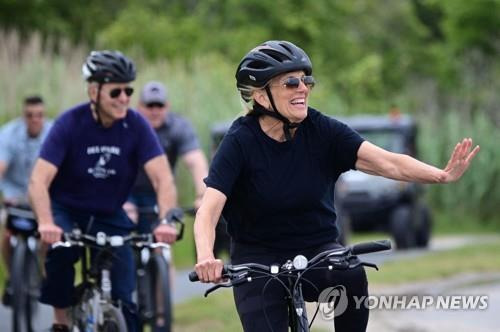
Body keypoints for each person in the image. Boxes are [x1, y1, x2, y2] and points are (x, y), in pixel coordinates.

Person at [192, 40, 480, 331]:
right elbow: (208, 211)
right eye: (291, 82)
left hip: (317, 249)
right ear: (261, 97)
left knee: (351, 273)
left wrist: (441, 175)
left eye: (306, 80)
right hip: (258, 260)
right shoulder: (239, 141)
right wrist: (206, 257)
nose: (303, 88)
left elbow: (387, 162)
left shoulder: (322, 130)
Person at [28, 50, 179, 332]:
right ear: (94, 91)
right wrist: (47, 222)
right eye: (116, 91)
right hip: (66, 209)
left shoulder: (136, 125)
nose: (124, 98)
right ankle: (60, 321)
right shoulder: (69, 124)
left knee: (125, 299)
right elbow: (39, 180)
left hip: (109, 213)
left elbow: (163, 179)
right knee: (61, 252)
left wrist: (165, 220)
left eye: (128, 90)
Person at [125, 81, 208, 232]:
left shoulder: (178, 127)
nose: (154, 111)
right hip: (127, 190)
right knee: (125, 225)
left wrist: (202, 196)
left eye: (159, 106)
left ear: (167, 106)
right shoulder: (126, 125)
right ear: (139, 106)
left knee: (163, 235)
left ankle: (161, 254)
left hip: (161, 191)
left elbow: (195, 161)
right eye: (149, 106)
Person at [0, 95, 52, 304]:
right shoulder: (9, 134)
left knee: (47, 236)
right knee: (6, 233)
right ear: (24, 116)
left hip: (43, 195)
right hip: (14, 195)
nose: (35, 120)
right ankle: (12, 276)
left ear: (44, 116)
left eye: (39, 115)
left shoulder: (53, 133)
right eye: (30, 116)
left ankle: (41, 274)